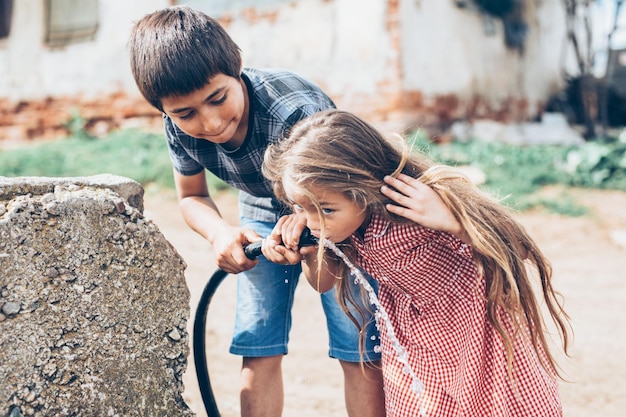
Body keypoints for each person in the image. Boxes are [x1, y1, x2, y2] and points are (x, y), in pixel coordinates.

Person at [127, 6, 385, 417]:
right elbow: (191, 196)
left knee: (357, 345)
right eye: (185, 113)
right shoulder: (177, 126)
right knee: (257, 343)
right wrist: (219, 234)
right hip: (261, 209)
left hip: (330, 205)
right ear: (164, 110)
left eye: (217, 99)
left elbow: (340, 193)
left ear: (238, 69)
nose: (209, 122)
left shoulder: (292, 111)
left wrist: (309, 226)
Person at [261, 109, 572, 416]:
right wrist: (307, 247)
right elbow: (321, 283)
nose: (315, 222)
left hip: (476, 337)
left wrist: (453, 220)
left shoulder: (418, 204)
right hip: (414, 344)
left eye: (326, 210)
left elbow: (521, 249)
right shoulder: (338, 226)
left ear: (364, 189)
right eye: (300, 206)